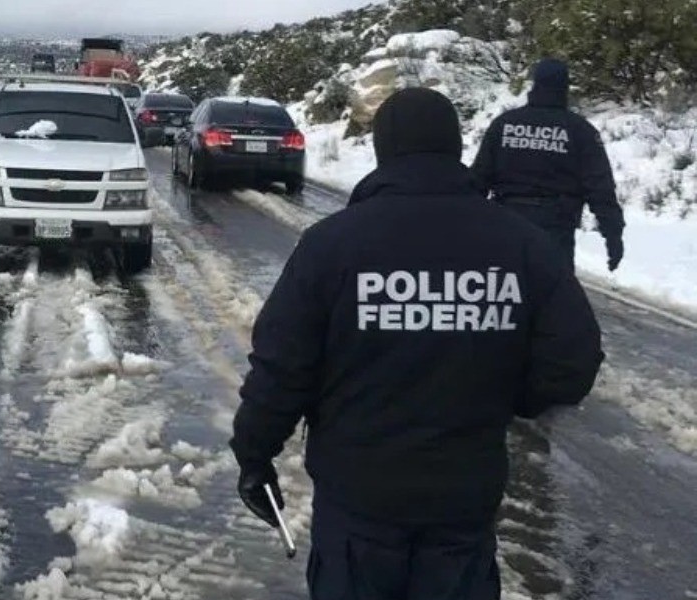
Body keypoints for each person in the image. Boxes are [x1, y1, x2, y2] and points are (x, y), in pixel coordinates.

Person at [230, 88, 605, 600]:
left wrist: (255, 454)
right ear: (455, 150)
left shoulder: (333, 245)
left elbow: (282, 365)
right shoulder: (521, 244)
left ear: (383, 151)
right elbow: (574, 360)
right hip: (464, 497)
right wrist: (507, 397)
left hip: (360, 499)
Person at [471, 58, 625, 271]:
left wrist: (466, 225)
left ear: (534, 84)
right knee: (554, 296)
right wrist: (613, 234)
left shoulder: (504, 124)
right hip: (556, 229)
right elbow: (600, 188)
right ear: (565, 87)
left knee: (506, 294)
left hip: (506, 224)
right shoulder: (580, 131)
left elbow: (478, 180)